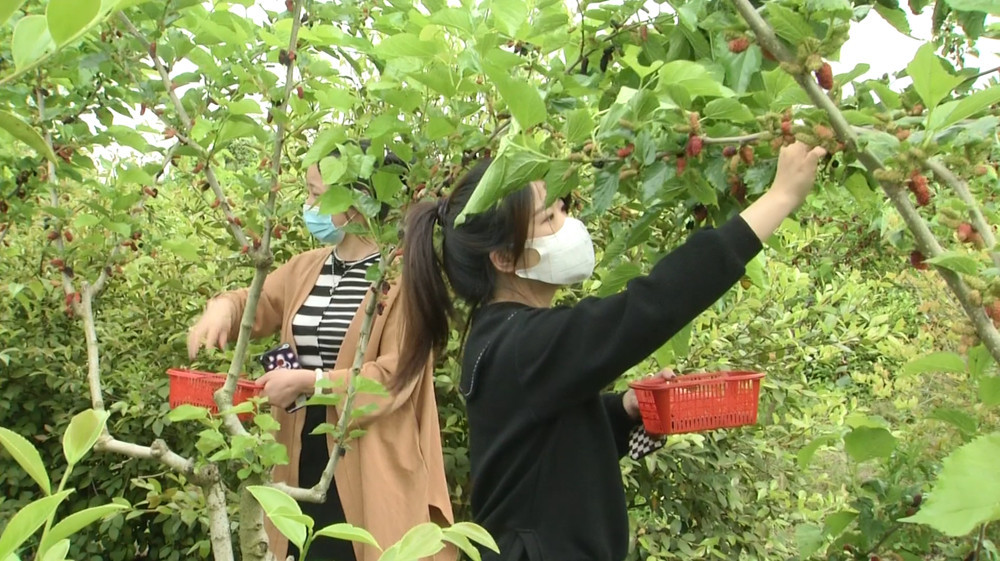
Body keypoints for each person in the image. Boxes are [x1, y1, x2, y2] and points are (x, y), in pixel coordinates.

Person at [398, 141, 826, 561]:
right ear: (506, 259)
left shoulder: (504, 334)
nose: (568, 222)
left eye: (563, 208)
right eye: (550, 218)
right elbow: (653, 306)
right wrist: (780, 196)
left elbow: (538, 448)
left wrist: (622, 412)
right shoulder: (527, 344)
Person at [186, 144, 455, 561]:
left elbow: (392, 379)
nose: (308, 205)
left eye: (316, 194)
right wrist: (222, 306)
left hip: (367, 465)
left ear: (355, 203)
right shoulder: (307, 267)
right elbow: (257, 302)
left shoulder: (402, 279)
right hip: (300, 457)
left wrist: (312, 383)